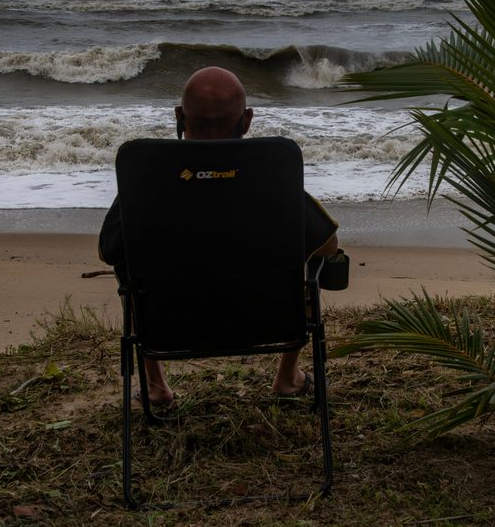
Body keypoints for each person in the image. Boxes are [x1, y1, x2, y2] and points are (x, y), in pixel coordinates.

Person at [98, 66, 339, 404]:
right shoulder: (272, 177)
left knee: (128, 269)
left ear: (180, 116)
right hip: (268, 323)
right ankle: (286, 377)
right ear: (247, 120)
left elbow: (109, 251)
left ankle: (156, 386)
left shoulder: (147, 179)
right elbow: (328, 244)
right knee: (312, 260)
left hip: (168, 326)